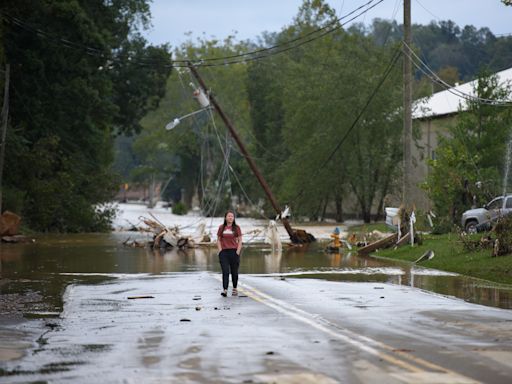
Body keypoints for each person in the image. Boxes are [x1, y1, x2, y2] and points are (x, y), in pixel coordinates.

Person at [217, 210, 243, 297]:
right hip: (224, 253)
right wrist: (220, 251)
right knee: (225, 271)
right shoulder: (221, 227)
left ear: (234, 218)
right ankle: (225, 290)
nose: (230, 217)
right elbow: (218, 239)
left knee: (234, 272)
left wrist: (238, 252)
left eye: (232, 216)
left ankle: (235, 288)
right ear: (225, 217)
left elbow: (240, 240)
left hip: (234, 252)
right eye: (229, 216)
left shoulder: (236, 228)